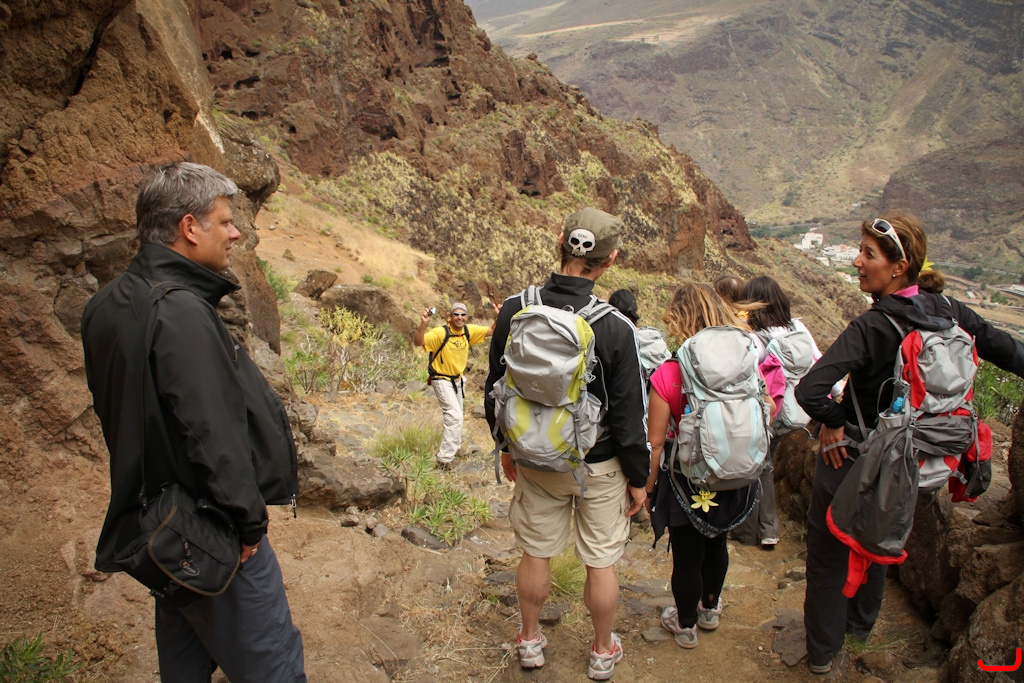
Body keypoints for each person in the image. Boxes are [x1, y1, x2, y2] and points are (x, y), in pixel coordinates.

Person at [81, 162, 306, 683]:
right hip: (210, 531)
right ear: (189, 227)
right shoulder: (179, 311)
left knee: (184, 661)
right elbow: (212, 435)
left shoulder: (105, 305)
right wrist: (248, 523)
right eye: (225, 221)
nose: (235, 233)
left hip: (161, 527)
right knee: (273, 668)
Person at [794, 209, 1024, 676]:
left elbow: (810, 391)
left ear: (898, 267)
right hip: (917, 460)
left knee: (828, 556)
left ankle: (822, 654)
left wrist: (834, 421)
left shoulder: (874, 325)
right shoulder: (952, 312)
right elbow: (1008, 350)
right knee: (882, 537)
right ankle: (860, 630)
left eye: (868, 254)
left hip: (853, 459)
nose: (857, 262)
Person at [484, 207, 649, 681]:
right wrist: (638, 478)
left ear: (559, 240)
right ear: (610, 259)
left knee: (536, 552)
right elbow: (629, 415)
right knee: (600, 560)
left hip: (535, 456)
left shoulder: (515, 308)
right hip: (598, 465)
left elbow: (495, 386)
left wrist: (507, 447)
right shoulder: (616, 326)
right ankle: (602, 651)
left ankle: (529, 640)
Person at [646, 283, 773, 650]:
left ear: (680, 319)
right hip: (737, 472)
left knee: (687, 555)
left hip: (687, 479)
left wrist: (647, 488)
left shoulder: (670, 371)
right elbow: (769, 408)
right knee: (718, 545)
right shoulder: (745, 361)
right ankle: (710, 608)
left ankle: (685, 624)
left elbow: (656, 442)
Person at [733, 275, 823, 550]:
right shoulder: (798, 328)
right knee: (765, 466)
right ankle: (766, 529)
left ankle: (753, 529)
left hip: (767, 412)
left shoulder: (755, 338)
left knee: (754, 467)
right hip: (796, 412)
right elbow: (818, 362)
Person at [415, 301, 498, 470]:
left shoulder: (468, 331)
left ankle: (455, 447)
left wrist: (499, 316)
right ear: (449, 317)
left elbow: (491, 331)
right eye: (456, 314)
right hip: (441, 379)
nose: (460, 318)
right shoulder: (440, 333)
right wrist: (424, 323)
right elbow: (418, 342)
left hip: (458, 380)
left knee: (457, 415)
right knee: (455, 417)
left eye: (463, 314)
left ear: (467, 316)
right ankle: (444, 460)